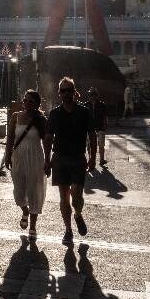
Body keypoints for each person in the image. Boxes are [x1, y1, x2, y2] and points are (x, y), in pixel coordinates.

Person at [44, 77, 92, 246]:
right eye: (63, 90)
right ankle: (68, 230)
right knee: (64, 197)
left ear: (74, 91)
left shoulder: (84, 112)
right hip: (59, 158)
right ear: (59, 93)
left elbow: (91, 135)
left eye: (69, 90)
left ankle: (78, 214)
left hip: (78, 158)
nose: (66, 93)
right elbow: (48, 138)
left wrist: (93, 158)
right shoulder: (55, 114)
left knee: (77, 194)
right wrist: (47, 160)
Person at [4, 90, 48, 238]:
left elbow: (47, 141)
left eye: (31, 101)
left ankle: (33, 227)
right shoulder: (16, 117)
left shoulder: (40, 119)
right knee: (18, 192)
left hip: (35, 158)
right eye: (25, 100)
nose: (27, 103)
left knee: (34, 191)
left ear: (36, 104)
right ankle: (25, 211)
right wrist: (7, 155)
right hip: (18, 157)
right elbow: (10, 138)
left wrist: (48, 160)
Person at [85, 88, 108, 169]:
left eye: (94, 94)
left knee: (101, 145)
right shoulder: (86, 105)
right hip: (89, 129)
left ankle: (101, 160)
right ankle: (91, 159)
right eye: (91, 94)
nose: (92, 96)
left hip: (100, 127)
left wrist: (105, 125)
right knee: (89, 145)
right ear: (89, 96)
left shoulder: (102, 105)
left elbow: (105, 116)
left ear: (97, 95)